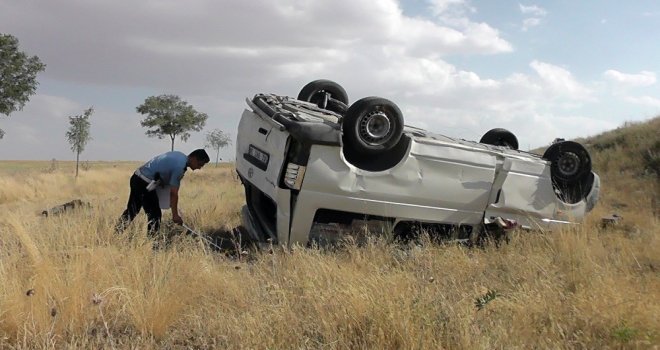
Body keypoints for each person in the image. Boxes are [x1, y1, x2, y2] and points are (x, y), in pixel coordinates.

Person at [116, 149, 210, 235]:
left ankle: (116, 233)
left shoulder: (179, 155)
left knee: (133, 210)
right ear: (193, 158)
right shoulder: (179, 167)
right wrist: (175, 215)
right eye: (200, 164)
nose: (199, 168)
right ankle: (153, 244)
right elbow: (173, 193)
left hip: (137, 177)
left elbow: (162, 167)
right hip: (144, 183)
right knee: (154, 215)